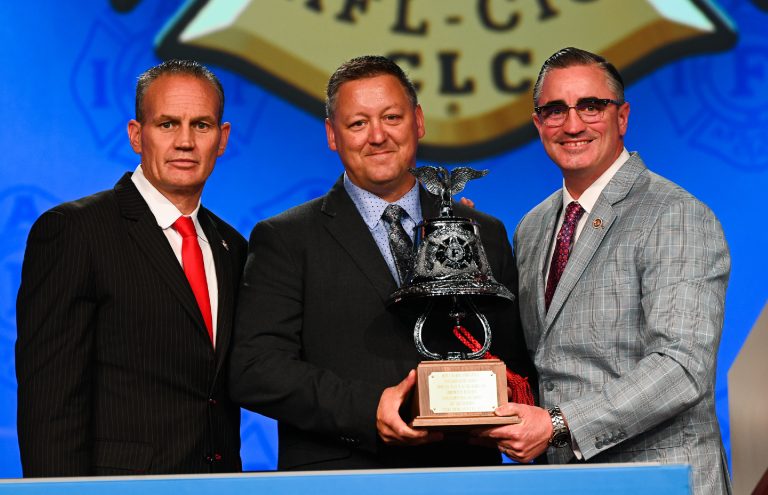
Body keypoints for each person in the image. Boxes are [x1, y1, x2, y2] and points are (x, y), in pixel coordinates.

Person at [229, 55, 536, 470]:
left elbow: (514, 362)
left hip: (463, 474)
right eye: (358, 123)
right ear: (332, 135)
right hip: (341, 476)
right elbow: (256, 369)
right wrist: (369, 408)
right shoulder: (285, 239)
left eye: (391, 117)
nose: (377, 136)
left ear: (419, 122)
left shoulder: (483, 231)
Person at [476, 47, 731, 494]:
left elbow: (682, 367)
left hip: (659, 478)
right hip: (566, 481)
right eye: (555, 110)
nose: (572, 125)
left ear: (622, 116)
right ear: (538, 124)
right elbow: (540, 364)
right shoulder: (534, 226)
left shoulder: (675, 214)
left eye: (591, 106)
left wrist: (558, 423)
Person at [15, 59, 246, 476]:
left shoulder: (233, 246)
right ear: (136, 135)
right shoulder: (74, 231)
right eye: (167, 124)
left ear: (223, 138)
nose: (185, 142)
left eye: (202, 125)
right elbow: (50, 404)